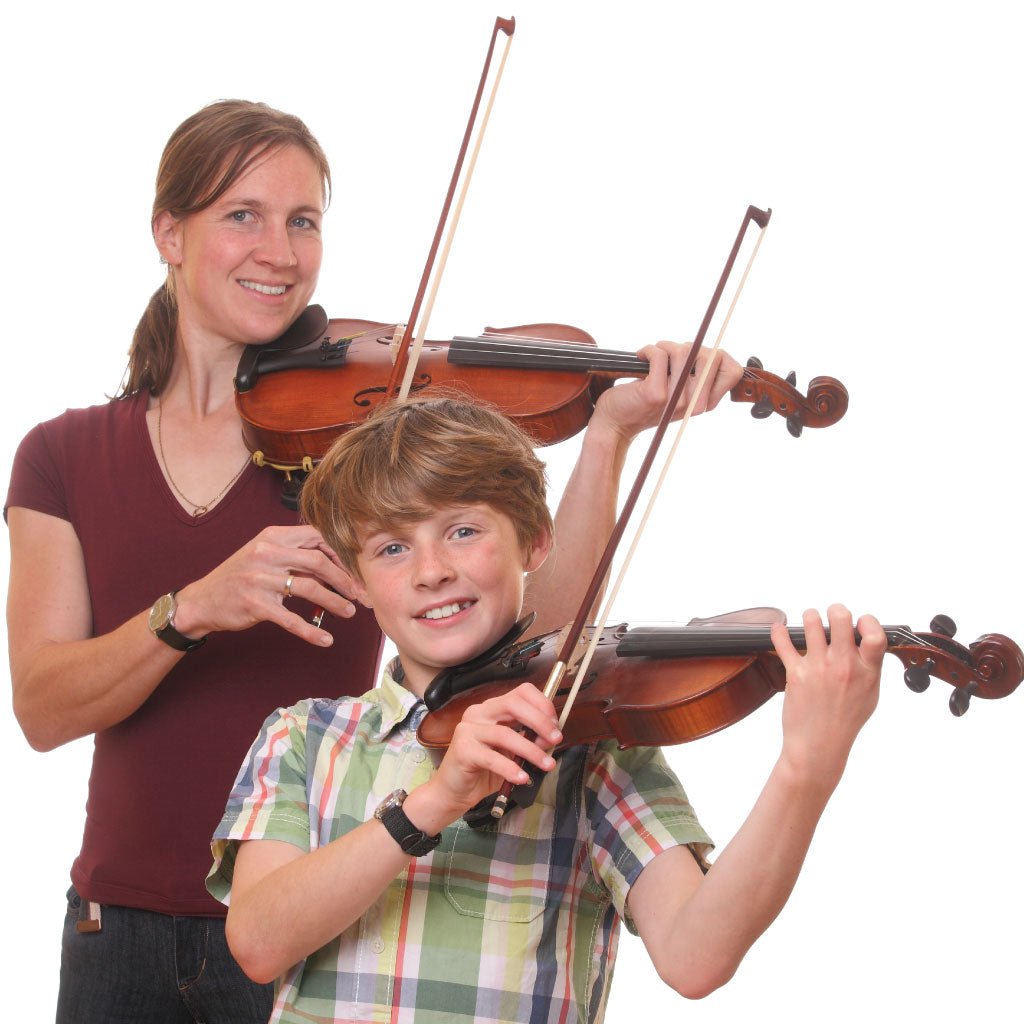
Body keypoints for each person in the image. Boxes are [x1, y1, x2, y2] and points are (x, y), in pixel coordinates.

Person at [4, 100, 743, 1021]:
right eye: (243, 214)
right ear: (169, 232)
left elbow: (526, 640)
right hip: (117, 930)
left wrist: (604, 444)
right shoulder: (61, 455)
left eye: (303, 220)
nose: (280, 251)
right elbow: (40, 707)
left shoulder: (367, 441)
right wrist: (189, 608)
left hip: (339, 908)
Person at [207, 398, 887, 1023]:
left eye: (464, 530)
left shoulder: (588, 746)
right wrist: (436, 800)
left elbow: (695, 957)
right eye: (392, 547)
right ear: (356, 579)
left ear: (533, 539)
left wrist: (808, 767)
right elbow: (259, 943)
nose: (431, 570)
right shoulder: (305, 735)